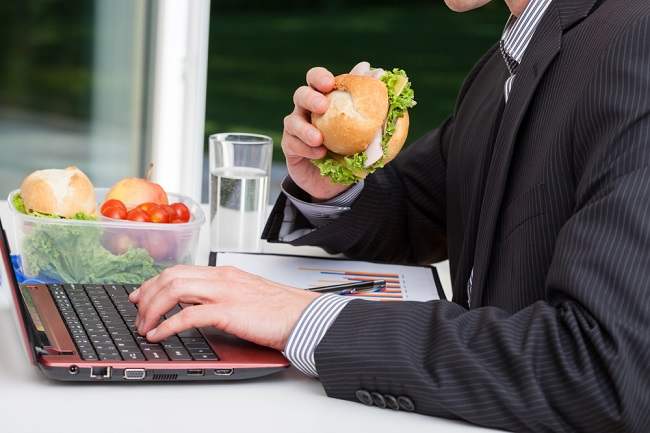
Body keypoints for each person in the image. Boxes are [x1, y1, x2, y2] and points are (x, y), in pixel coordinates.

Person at [130, 0, 650, 431]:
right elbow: (421, 209)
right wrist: (334, 186)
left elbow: (600, 366)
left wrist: (300, 317)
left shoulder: (637, 42)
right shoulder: (508, 59)